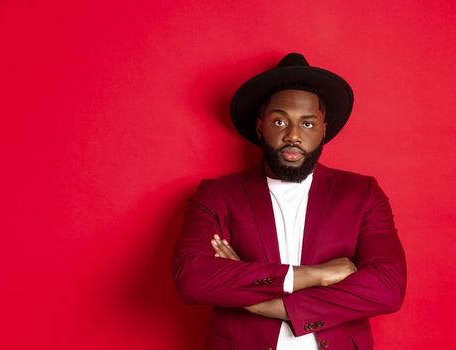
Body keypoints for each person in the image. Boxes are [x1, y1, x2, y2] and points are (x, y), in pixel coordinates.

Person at [173, 52, 406, 350]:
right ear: (260, 126)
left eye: (307, 124)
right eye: (280, 121)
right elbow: (192, 278)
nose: (293, 135)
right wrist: (314, 275)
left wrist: (262, 303)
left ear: (324, 129)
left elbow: (387, 288)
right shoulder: (217, 195)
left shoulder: (362, 193)